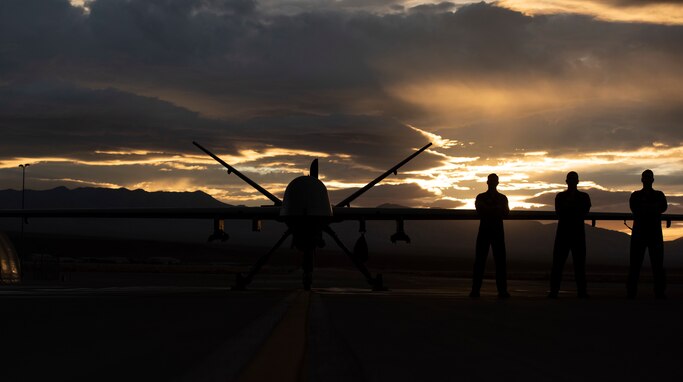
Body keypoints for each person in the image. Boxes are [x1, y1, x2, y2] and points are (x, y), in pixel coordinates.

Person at [548, 171, 591, 299]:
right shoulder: (562, 197)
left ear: (577, 181)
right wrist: (574, 209)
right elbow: (560, 211)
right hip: (566, 234)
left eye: (574, 179)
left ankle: (581, 291)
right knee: (558, 264)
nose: (572, 182)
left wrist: (569, 208)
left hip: (573, 234)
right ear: (567, 181)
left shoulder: (582, 197)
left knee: (579, 264)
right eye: (570, 179)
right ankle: (555, 291)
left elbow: (584, 211)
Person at [628, 169, 668, 299]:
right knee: (635, 264)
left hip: (651, 234)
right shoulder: (637, 195)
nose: (646, 179)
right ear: (642, 179)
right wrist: (653, 207)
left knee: (657, 265)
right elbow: (635, 208)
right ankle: (632, 291)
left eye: (648, 177)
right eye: (645, 177)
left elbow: (662, 207)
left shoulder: (655, 195)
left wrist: (645, 207)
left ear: (652, 180)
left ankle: (659, 291)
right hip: (643, 234)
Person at [470, 173, 510, 299]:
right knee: (480, 262)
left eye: (494, 181)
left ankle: (502, 291)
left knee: (500, 263)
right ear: (487, 182)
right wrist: (495, 209)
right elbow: (480, 210)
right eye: (491, 181)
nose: (492, 183)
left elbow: (505, 212)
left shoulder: (502, 198)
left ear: (497, 183)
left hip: (497, 232)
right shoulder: (481, 197)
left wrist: (489, 209)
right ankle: (475, 290)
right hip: (485, 232)